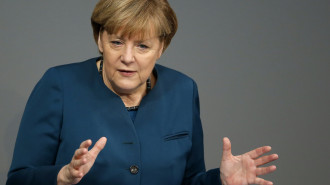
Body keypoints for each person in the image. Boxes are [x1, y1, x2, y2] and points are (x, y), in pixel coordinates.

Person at [6, 0, 278, 185]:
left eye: (143, 47)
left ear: (162, 48)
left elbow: (188, 180)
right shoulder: (59, 84)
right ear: (99, 39)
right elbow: (18, 179)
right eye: (116, 42)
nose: (127, 57)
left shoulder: (183, 90)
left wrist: (220, 179)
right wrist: (62, 176)